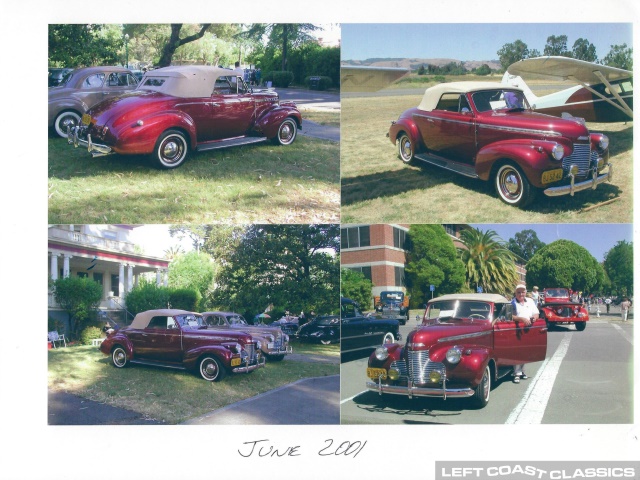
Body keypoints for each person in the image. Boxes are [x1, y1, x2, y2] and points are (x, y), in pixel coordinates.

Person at [511, 284, 539, 383]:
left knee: (526, 350)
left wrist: (534, 318)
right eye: (518, 292)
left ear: (525, 292)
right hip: (517, 328)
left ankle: (522, 371)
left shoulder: (530, 301)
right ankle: (516, 373)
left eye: (523, 292)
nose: (521, 294)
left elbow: (536, 313)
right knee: (517, 351)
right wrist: (522, 319)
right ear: (515, 293)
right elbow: (511, 316)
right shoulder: (513, 303)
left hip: (528, 328)